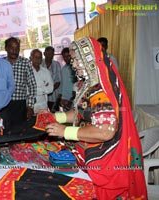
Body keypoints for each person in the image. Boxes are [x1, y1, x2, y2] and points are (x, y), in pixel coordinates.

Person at [45, 36, 147, 199]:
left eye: (78, 60)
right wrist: (56, 117)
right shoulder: (89, 85)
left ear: (89, 59)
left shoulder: (99, 91)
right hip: (88, 153)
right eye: (73, 60)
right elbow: (79, 113)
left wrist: (65, 132)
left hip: (104, 163)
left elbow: (105, 131)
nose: (74, 65)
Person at [4, 37, 37, 129]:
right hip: (4, 104)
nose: (14, 51)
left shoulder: (25, 62)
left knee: (20, 131)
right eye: (11, 48)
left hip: (20, 105)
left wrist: (30, 106)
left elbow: (32, 85)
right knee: (5, 130)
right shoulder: (1, 63)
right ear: (6, 48)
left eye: (17, 48)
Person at [30, 49, 53, 113]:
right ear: (31, 58)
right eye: (35, 57)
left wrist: (35, 89)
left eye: (39, 57)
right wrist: (44, 87)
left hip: (43, 106)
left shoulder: (46, 72)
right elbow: (27, 90)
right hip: (30, 107)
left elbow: (51, 88)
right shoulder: (26, 71)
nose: (38, 59)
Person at [42, 46, 61, 112]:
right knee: (42, 115)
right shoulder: (40, 64)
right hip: (42, 97)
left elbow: (58, 81)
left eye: (52, 54)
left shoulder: (57, 64)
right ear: (44, 54)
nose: (50, 56)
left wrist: (50, 89)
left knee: (55, 114)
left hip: (54, 96)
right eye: (48, 53)